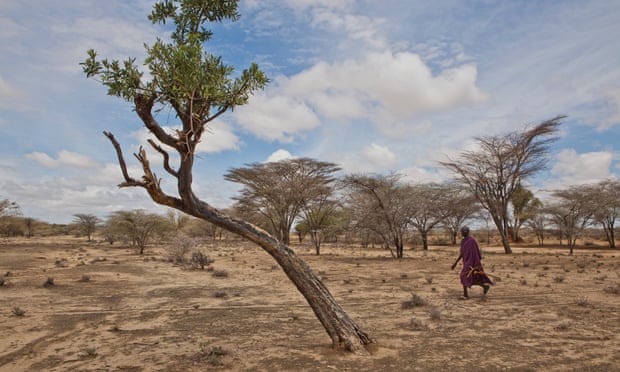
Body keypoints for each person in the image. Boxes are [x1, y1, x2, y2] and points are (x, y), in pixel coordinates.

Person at [451, 226, 493, 299]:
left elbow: (476, 253)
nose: (463, 233)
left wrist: (475, 263)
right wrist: (456, 262)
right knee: (471, 278)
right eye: (462, 231)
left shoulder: (472, 240)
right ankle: (485, 286)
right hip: (466, 261)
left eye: (464, 231)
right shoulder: (463, 241)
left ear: (468, 232)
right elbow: (462, 253)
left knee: (463, 275)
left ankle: (465, 295)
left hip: (473, 262)